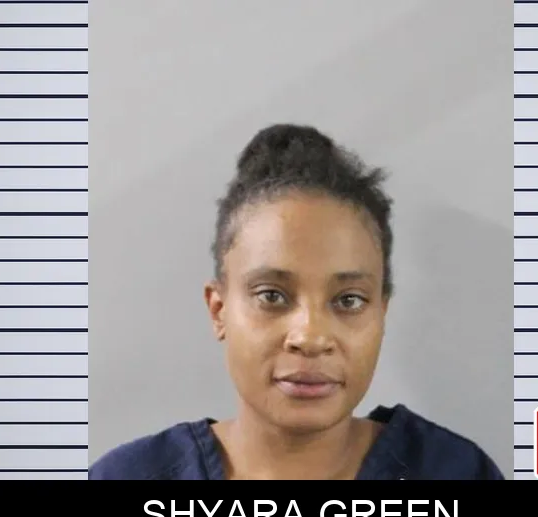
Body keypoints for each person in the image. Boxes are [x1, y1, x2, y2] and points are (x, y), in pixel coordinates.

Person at [90, 124, 504, 480]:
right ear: (219, 310)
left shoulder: (455, 472)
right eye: (272, 296)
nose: (310, 336)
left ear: (382, 313)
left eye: (349, 300)